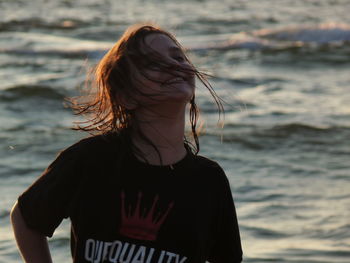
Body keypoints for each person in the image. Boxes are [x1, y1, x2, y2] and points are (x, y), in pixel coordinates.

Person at [11, 23, 243, 263]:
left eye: (178, 57)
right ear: (126, 96)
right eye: (153, 63)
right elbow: (26, 217)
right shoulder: (92, 160)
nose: (175, 65)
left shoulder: (208, 180)